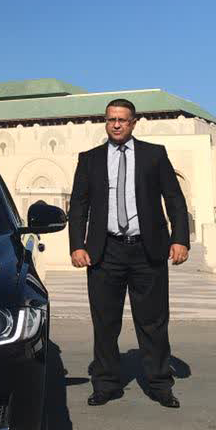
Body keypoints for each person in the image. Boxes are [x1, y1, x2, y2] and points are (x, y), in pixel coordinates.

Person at [69, 98, 190, 408]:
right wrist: (77, 245)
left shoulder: (154, 155)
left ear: (134, 123)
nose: (116, 125)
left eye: (122, 119)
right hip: (105, 252)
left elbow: (174, 199)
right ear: (106, 122)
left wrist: (180, 239)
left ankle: (160, 384)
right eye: (111, 119)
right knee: (105, 322)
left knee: (153, 322)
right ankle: (106, 384)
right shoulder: (90, 159)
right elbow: (79, 205)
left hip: (147, 251)